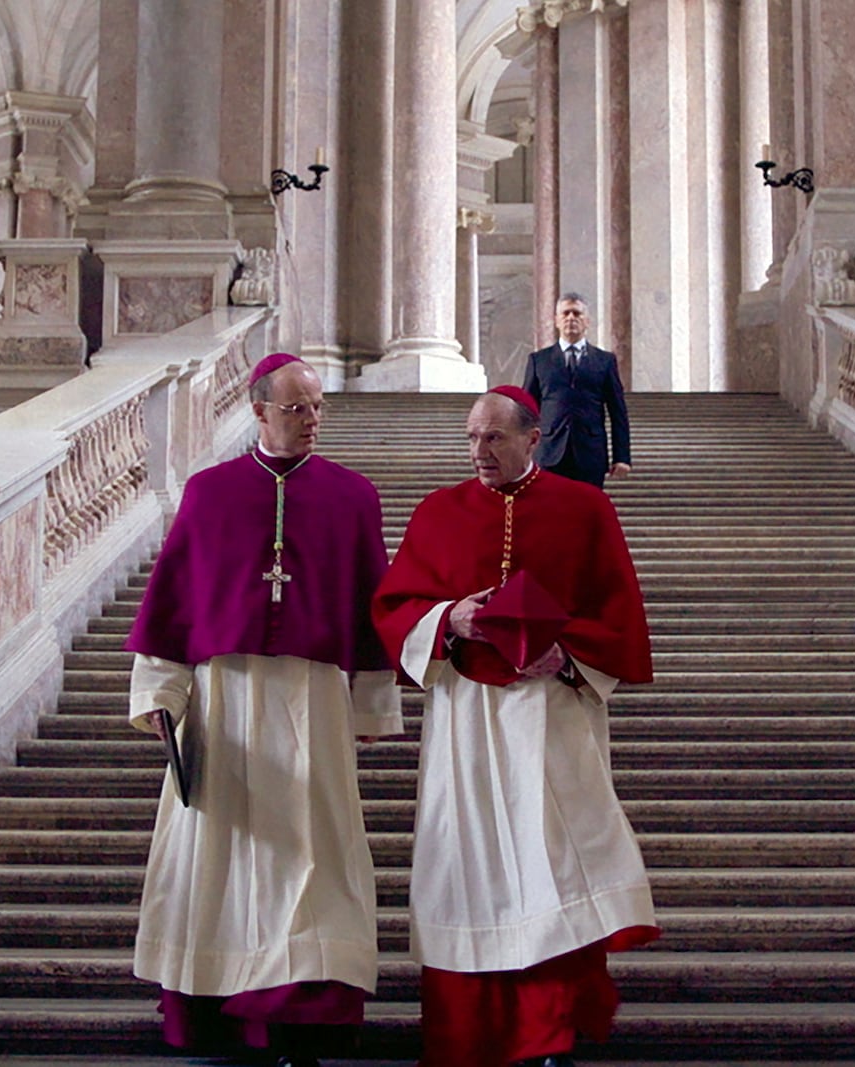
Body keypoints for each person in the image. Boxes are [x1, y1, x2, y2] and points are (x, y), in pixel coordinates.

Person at [124, 352, 402, 1067]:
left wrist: (373, 704)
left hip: (314, 699)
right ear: (258, 410)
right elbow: (175, 602)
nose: (311, 420)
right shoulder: (209, 493)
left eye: (317, 407)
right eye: (296, 408)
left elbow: (373, 605)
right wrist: (161, 693)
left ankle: (301, 1016)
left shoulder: (353, 495)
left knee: (316, 857)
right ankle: (220, 1009)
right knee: (222, 857)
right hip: (225, 700)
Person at [371, 385, 658, 1067]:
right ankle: (466, 1031)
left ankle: (551, 1029)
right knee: (464, 865)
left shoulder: (585, 507)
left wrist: (569, 651)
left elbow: (620, 611)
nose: (480, 451)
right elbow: (393, 604)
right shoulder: (438, 511)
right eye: (471, 437)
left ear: (535, 438)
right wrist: (449, 618)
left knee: (554, 862)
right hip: (464, 717)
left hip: (552, 711)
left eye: (494, 437)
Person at [522, 293, 632, 487]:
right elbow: (527, 411)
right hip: (549, 452)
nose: (571, 318)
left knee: (587, 513)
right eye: (565, 313)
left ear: (587, 321)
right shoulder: (539, 361)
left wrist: (621, 456)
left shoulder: (605, 361)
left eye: (577, 313)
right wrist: (522, 453)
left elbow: (618, 412)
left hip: (590, 453)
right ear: (556, 320)